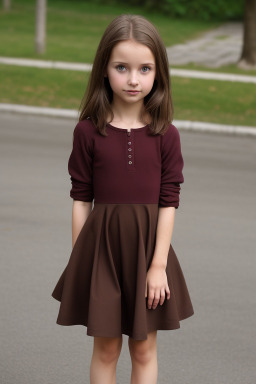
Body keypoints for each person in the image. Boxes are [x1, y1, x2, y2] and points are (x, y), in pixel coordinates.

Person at [51, 13, 194, 384]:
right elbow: (81, 198)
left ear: (158, 72)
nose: (133, 79)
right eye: (122, 67)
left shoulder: (167, 135)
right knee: (107, 349)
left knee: (144, 349)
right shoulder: (87, 132)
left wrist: (158, 265)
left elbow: (169, 200)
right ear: (104, 69)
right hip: (102, 254)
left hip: (149, 254)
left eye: (145, 68)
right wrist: (81, 259)